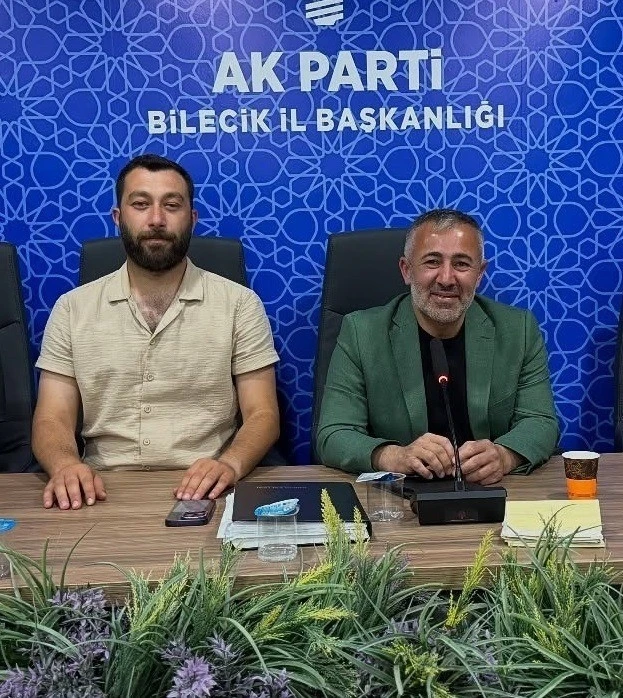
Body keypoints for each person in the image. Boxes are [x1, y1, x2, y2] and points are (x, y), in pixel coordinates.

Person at [33, 154, 279, 509]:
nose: (156, 219)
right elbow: (52, 417)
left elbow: (262, 414)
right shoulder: (72, 308)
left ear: (192, 218)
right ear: (118, 217)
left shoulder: (240, 305)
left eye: (172, 205)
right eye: (140, 204)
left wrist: (230, 464)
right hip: (99, 489)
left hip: (209, 489)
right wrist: (65, 466)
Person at [316, 209, 558, 484]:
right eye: (432, 262)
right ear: (407, 270)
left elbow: (541, 422)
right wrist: (394, 456)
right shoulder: (361, 332)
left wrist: (504, 456)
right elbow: (333, 434)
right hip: (400, 495)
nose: (446, 278)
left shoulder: (518, 330)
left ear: (480, 274)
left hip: (489, 489)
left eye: (462, 264)